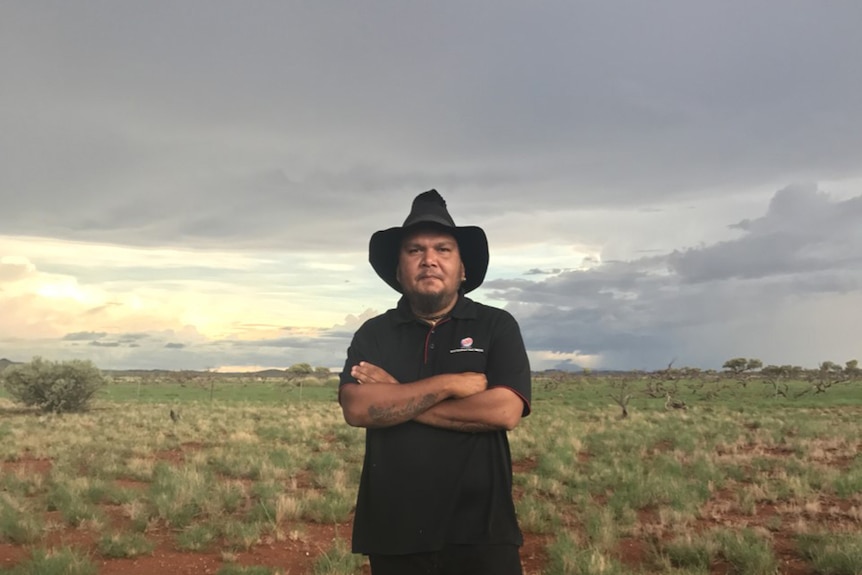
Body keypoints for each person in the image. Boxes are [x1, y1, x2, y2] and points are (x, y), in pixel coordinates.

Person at [338, 189, 532, 575]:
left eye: (443, 249)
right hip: (395, 530)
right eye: (415, 251)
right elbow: (358, 408)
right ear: (398, 270)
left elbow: (505, 411)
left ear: (463, 269)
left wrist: (395, 397)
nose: (429, 260)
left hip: (482, 529)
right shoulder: (374, 334)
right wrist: (448, 384)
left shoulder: (496, 326)